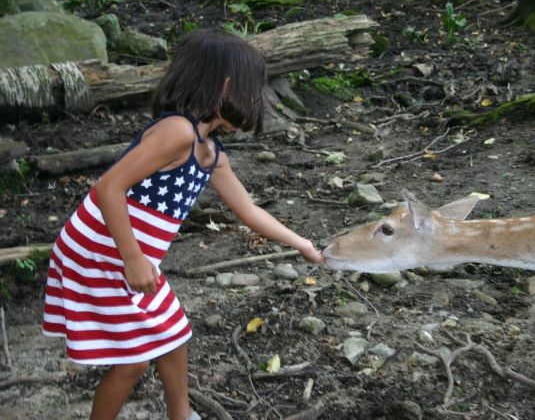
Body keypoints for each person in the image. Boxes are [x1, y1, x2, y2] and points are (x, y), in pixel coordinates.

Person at [41, 28, 325, 420]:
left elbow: (249, 210)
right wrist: (134, 259)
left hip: (128, 255)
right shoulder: (176, 132)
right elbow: (109, 189)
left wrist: (302, 244)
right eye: (251, 90)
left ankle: (181, 414)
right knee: (135, 359)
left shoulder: (210, 153)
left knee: (174, 334)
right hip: (101, 252)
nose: (257, 101)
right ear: (226, 86)